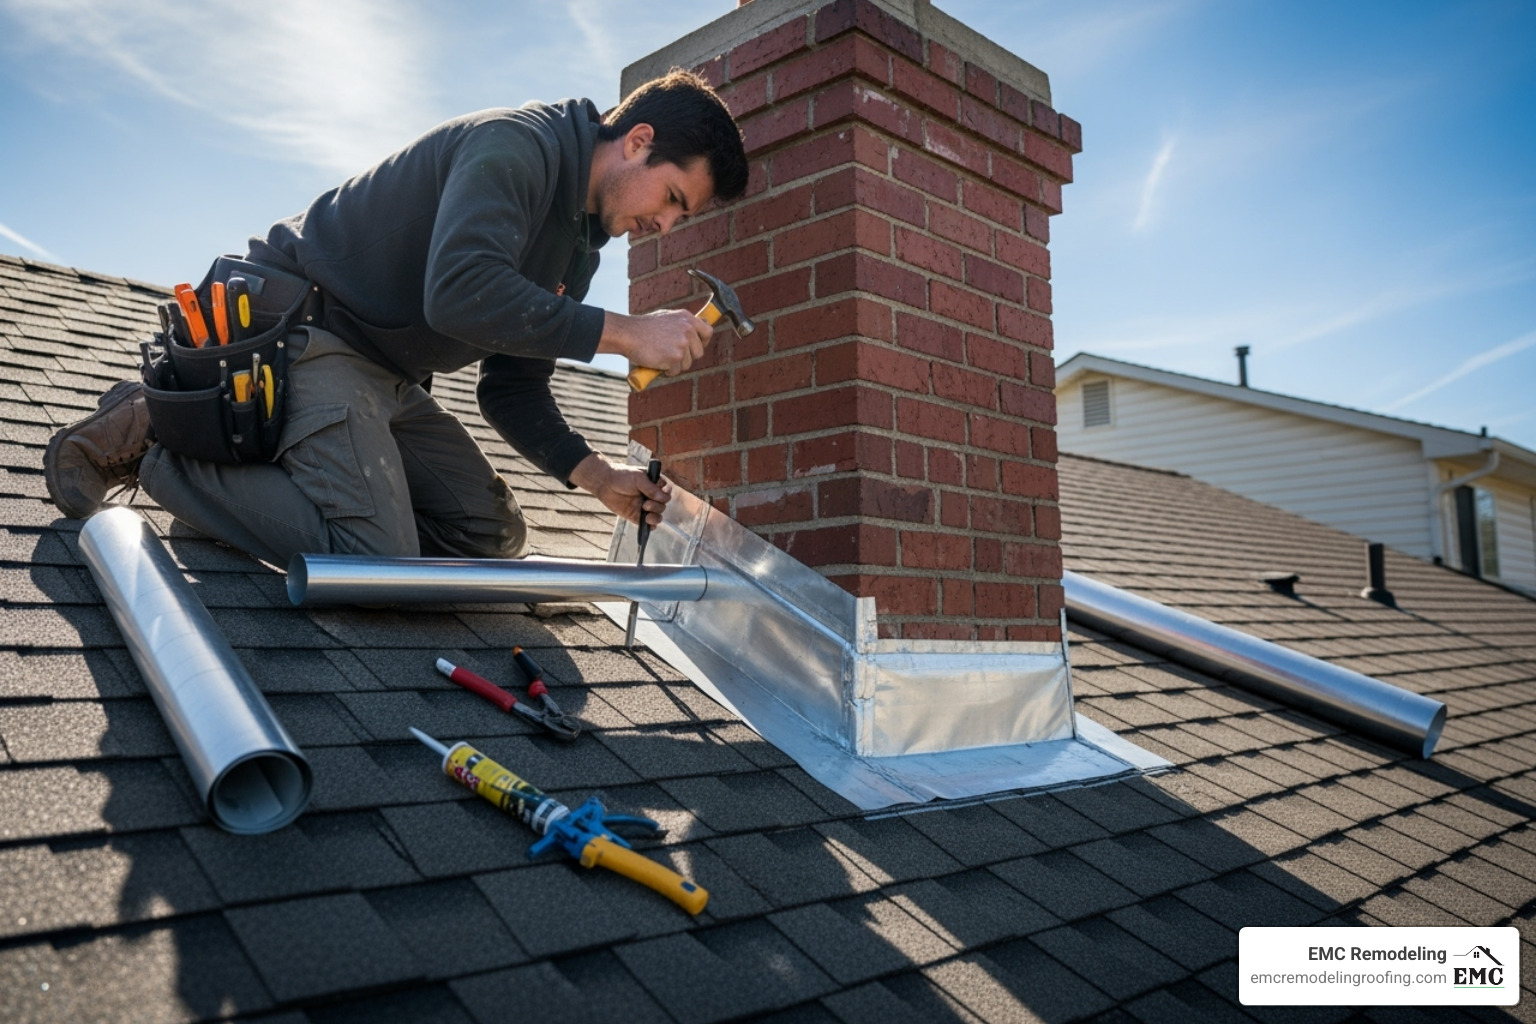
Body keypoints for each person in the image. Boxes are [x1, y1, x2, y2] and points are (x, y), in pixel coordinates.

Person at [43, 69, 748, 566]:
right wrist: (624, 331)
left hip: (387, 376)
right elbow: (460, 292)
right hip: (304, 332)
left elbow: (512, 389)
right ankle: (161, 439)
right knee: (374, 558)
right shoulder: (516, 147)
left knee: (489, 537)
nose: (662, 224)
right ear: (637, 140)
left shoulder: (578, 248)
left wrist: (597, 478)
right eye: (673, 199)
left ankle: (254, 501)